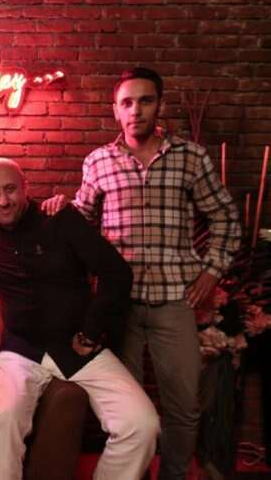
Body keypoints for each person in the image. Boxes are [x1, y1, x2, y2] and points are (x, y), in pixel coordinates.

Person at [43, 67, 242, 479]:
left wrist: (212, 271)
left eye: (145, 101)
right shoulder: (99, 162)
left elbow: (225, 215)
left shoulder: (190, 157)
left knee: (184, 406)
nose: (136, 110)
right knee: (129, 412)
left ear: (159, 105)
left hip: (176, 300)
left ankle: (173, 475)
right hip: (120, 307)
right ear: (116, 111)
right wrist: (61, 211)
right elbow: (82, 220)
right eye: (127, 103)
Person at [0, 158, 160, 480]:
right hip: (20, 350)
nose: (3, 200)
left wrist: (90, 333)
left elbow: (116, 272)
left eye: (10, 189)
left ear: (26, 188)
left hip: (76, 348)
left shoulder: (61, 218)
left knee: (142, 424)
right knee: (4, 421)